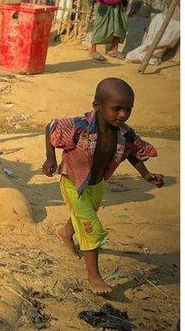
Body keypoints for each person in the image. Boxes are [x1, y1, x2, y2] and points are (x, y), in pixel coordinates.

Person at [42, 78, 162, 295]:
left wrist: (146, 175)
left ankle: (65, 232)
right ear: (97, 106)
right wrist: (50, 158)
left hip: (97, 184)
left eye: (128, 109)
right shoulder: (80, 126)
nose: (123, 115)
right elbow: (51, 127)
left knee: (85, 214)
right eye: (117, 109)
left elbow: (133, 153)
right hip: (73, 183)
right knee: (91, 229)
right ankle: (94, 277)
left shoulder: (124, 133)